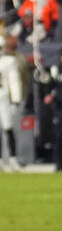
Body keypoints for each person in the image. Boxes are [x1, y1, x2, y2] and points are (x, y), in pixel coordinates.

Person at [0, 36, 23, 170]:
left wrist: (15, 100)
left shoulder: (8, 61)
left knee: (8, 127)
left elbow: (14, 82)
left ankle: (13, 158)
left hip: (3, 97)